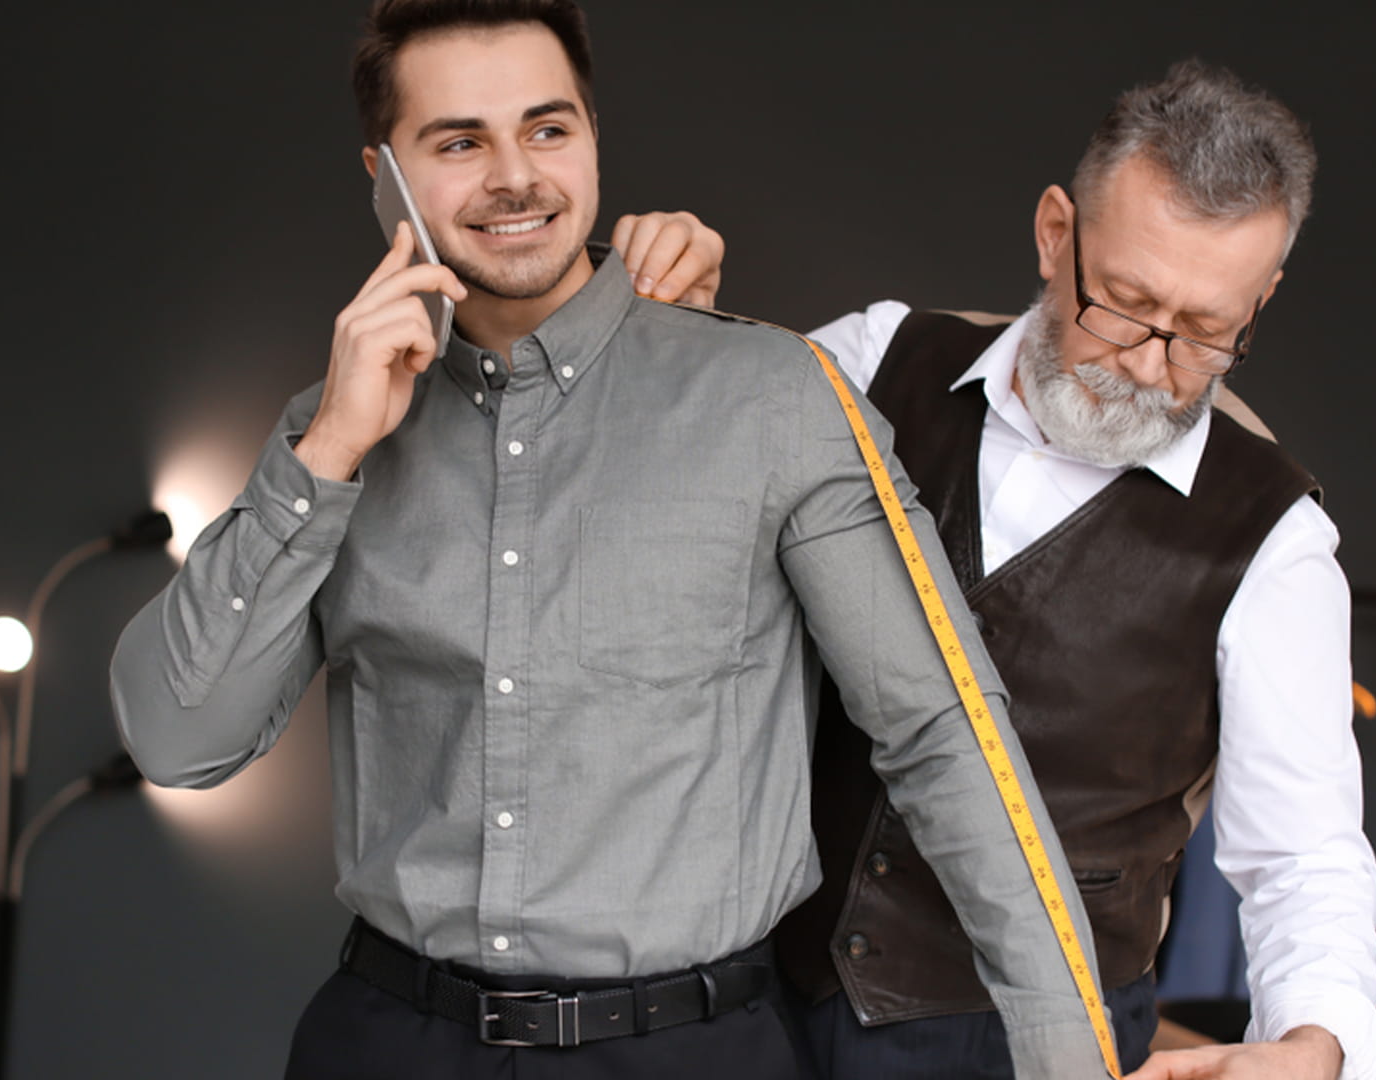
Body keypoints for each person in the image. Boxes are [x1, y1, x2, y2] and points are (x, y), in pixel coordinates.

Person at [109, 2, 1114, 1077]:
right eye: (459, 143)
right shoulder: (335, 433)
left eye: (547, 129)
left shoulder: (774, 398)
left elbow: (942, 731)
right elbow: (177, 741)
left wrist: (1067, 1055)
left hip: (690, 1049)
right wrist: (327, 453)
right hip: (389, 1038)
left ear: (592, 134)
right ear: (383, 173)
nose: (515, 178)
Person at [668, 61, 1376, 1080]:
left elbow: (1303, 857)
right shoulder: (872, 362)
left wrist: (1315, 1045)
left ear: (1262, 300)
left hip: (1031, 1049)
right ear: (1056, 233)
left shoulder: (1273, 537)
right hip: (756, 1004)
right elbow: (667, 547)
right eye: (1125, 305)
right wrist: (679, 348)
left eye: (1205, 334)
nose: (1148, 365)